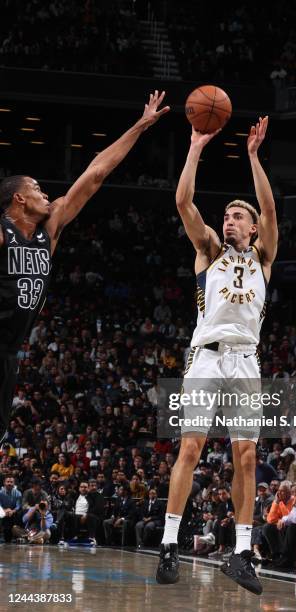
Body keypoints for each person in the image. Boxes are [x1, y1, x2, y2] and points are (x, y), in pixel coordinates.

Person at [0, 90, 169, 445]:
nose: (45, 194)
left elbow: (96, 173)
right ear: (17, 198)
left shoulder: (50, 229)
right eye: (36, 189)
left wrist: (140, 125)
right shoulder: (2, 230)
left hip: (10, 353)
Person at [156, 116, 278, 596]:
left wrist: (252, 157)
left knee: (246, 456)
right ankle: (169, 543)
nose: (228, 220)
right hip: (206, 357)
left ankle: (243, 552)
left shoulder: (264, 257)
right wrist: (194, 148)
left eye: (236, 216)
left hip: (247, 359)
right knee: (191, 447)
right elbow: (183, 202)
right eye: (225, 215)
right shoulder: (208, 249)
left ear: (251, 227)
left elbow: (269, 208)